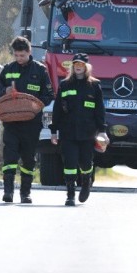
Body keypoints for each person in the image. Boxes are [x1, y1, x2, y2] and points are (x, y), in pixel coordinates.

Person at [0, 36, 53, 204]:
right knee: (10, 157)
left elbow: (49, 96)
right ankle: (8, 192)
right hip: (11, 122)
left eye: (22, 55)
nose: (19, 59)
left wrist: (35, 105)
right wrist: (5, 90)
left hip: (31, 123)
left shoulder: (40, 71)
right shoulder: (8, 69)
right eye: (16, 55)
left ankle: (25, 193)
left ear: (29, 52)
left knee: (28, 159)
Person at [50, 53, 108, 206]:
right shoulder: (65, 85)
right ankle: (70, 195)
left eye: (81, 64)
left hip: (87, 133)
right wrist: (53, 131)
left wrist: (102, 130)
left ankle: (86, 181)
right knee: (69, 163)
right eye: (76, 64)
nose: (78, 67)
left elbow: (100, 111)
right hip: (68, 132)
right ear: (72, 66)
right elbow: (57, 110)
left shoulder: (94, 86)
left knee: (85, 163)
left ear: (86, 67)